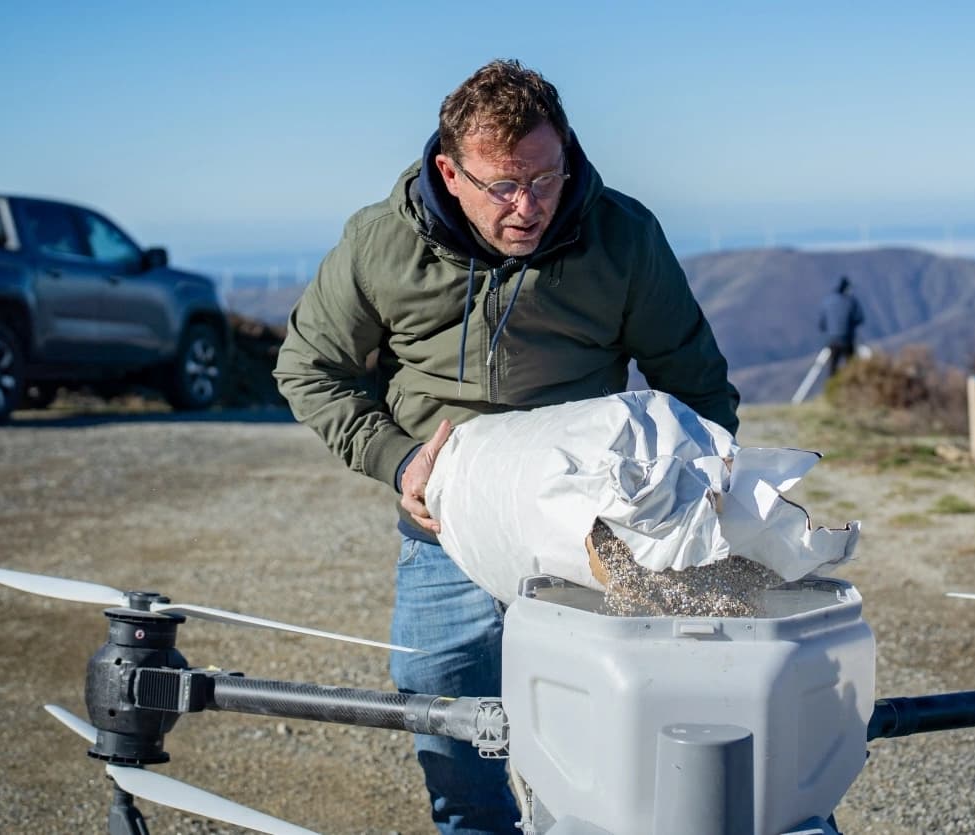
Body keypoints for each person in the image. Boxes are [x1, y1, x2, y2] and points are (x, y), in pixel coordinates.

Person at [273, 59, 739, 835]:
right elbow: (307, 366)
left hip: (592, 528)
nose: (527, 207)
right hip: (443, 525)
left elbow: (694, 382)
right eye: (501, 186)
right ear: (450, 172)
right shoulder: (381, 242)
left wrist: (696, 499)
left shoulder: (620, 236)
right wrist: (397, 459)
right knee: (439, 693)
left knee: (611, 705)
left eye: (546, 179)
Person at [819, 274, 864, 376]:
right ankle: (850, 386)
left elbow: (822, 324)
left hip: (832, 341)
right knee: (851, 367)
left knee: (832, 369)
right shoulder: (851, 301)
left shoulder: (827, 302)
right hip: (847, 340)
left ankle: (832, 386)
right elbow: (859, 318)